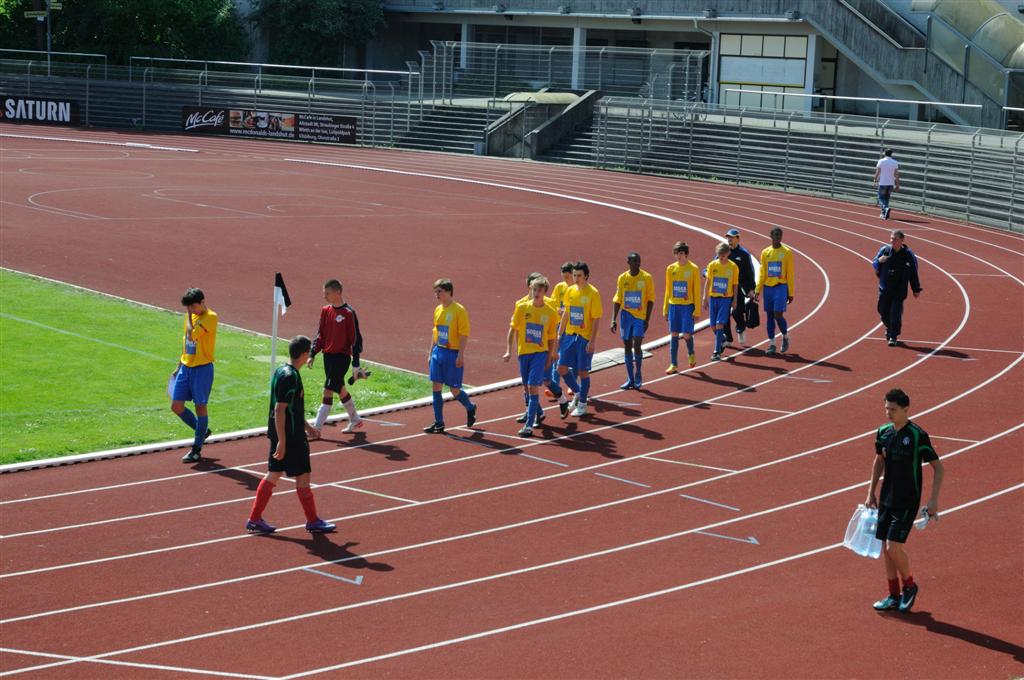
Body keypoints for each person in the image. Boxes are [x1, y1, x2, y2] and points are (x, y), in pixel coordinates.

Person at [246, 335, 335, 535]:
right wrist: (283, 442)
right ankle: (312, 521)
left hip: (283, 434)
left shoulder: (281, 370)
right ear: (304, 354)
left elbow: (291, 408)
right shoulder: (291, 377)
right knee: (303, 476)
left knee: (273, 474)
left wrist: (307, 426)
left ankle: (254, 519)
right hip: (290, 438)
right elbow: (280, 410)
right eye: (309, 354)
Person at [866, 388, 944, 613]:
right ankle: (893, 594)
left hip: (907, 499)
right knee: (885, 547)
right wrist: (870, 491)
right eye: (886, 409)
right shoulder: (883, 432)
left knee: (893, 546)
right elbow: (879, 460)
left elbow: (938, 468)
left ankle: (909, 586)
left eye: (893, 409)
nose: (888, 413)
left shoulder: (918, 435)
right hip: (886, 497)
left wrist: (933, 501)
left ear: (906, 409)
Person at [504, 276, 562, 436]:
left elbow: (551, 337)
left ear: (545, 292)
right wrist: (509, 350)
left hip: (540, 353)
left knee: (532, 386)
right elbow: (512, 329)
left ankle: (529, 425)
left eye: (540, 290)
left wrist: (550, 355)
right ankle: (539, 413)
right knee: (527, 387)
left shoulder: (550, 313)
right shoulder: (522, 308)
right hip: (524, 353)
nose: (536, 293)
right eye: (534, 289)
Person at [307, 279, 365, 433]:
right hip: (328, 358)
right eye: (324, 293)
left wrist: (356, 363)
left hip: (341, 358)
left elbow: (355, 339)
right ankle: (355, 419)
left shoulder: (348, 313)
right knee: (340, 388)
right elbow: (320, 334)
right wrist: (312, 353)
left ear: (338, 292)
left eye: (327, 293)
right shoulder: (326, 310)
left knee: (327, 389)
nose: (324, 296)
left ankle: (316, 428)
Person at [170, 287, 217, 464]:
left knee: (200, 407)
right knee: (176, 406)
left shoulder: (211, 317)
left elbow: (192, 334)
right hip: (186, 366)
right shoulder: (191, 316)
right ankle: (202, 431)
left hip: (202, 369)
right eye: (189, 308)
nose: (191, 310)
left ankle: (196, 449)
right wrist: (179, 364)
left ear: (202, 302)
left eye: (193, 307)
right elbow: (186, 342)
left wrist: (190, 316)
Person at [424, 278, 477, 434]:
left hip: (452, 353)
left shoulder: (459, 310)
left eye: (439, 291)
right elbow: (435, 332)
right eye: (436, 291)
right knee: (436, 387)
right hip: (438, 352)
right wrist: (430, 353)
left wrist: (460, 354)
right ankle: (439, 422)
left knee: (454, 390)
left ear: (448, 292)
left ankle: (470, 407)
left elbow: (464, 334)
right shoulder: (438, 310)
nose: (437, 294)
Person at [558, 261, 602, 417]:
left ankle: (582, 404)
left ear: (586, 276)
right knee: (561, 368)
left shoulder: (593, 293)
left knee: (583, 371)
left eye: (579, 276)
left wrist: (592, 341)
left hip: (584, 337)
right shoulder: (570, 291)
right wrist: (559, 334)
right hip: (570, 335)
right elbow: (566, 313)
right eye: (575, 275)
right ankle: (578, 392)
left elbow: (596, 318)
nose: (576, 278)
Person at [611, 252, 655, 390]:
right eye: (634, 261)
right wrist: (613, 319)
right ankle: (629, 378)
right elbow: (618, 300)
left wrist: (647, 319)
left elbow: (650, 300)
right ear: (628, 262)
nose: (637, 264)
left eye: (638, 261)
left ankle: (638, 374)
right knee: (627, 346)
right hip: (626, 316)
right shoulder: (622, 278)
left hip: (639, 317)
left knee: (637, 344)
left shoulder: (647, 278)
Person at [872, 230, 923, 347]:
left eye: (895, 239)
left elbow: (913, 273)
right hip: (885, 288)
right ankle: (890, 327)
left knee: (895, 312)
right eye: (891, 239)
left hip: (899, 289)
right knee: (882, 311)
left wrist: (916, 289)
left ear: (902, 240)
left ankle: (893, 336)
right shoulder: (884, 250)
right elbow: (874, 263)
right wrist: (879, 261)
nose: (892, 241)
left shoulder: (909, 255)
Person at [752, 226, 795, 356]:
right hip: (768, 288)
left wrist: (791, 292)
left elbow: (790, 273)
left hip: (780, 287)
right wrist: (757, 290)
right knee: (770, 316)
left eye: (779, 235)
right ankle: (771, 343)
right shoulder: (765, 252)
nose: (777, 237)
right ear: (770, 236)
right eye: (775, 235)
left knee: (778, 314)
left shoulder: (787, 252)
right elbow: (762, 273)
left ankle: (785, 336)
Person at [663, 241, 702, 372]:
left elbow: (696, 290)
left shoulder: (693, 269)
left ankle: (691, 353)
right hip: (674, 306)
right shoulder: (670, 269)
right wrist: (665, 307)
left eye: (680, 253)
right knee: (674, 334)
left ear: (686, 254)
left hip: (687, 307)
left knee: (686, 335)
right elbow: (668, 290)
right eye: (676, 253)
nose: (678, 256)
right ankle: (673, 364)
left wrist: (697, 310)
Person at [545, 262, 577, 400]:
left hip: (575, 329)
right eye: (564, 277)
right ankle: (554, 386)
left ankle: (573, 385)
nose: (566, 280)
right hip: (561, 326)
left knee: (574, 357)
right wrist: (562, 311)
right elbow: (553, 305)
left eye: (568, 277)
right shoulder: (559, 287)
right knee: (556, 356)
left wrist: (565, 311)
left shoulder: (578, 290)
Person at [702, 243, 739, 361]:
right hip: (713, 298)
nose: (721, 257)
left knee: (719, 324)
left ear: (728, 254)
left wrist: (734, 300)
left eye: (723, 255)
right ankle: (722, 339)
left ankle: (716, 351)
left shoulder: (733, 267)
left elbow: (735, 285)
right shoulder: (712, 265)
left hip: (725, 299)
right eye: (719, 255)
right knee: (713, 326)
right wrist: (704, 297)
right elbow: (708, 282)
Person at [722, 228, 756, 347]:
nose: (729, 240)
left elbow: (750, 272)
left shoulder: (744, 254)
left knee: (737, 312)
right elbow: (713, 264)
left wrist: (752, 288)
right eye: (728, 238)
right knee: (724, 314)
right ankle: (728, 338)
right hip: (724, 288)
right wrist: (705, 272)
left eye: (732, 238)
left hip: (739, 289)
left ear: (738, 239)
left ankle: (741, 327)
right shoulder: (724, 252)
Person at [873, 148, 900, 220]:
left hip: (882, 183)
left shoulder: (881, 161)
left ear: (884, 153)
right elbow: (896, 174)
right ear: (891, 154)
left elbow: (878, 172)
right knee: (887, 198)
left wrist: (875, 180)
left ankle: (885, 208)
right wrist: (897, 184)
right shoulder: (895, 162)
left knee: (881, 198)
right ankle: (884, 213)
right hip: (890, 183)